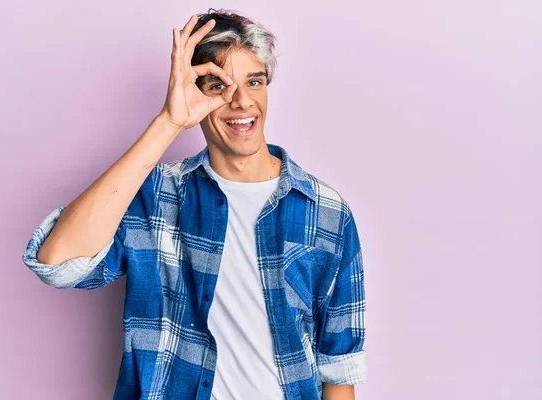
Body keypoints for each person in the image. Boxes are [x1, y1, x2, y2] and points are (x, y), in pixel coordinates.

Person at [23, 9, 367, 400]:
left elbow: (339, 366)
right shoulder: (157, 196)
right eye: (219, 86)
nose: (241, 101)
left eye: (254, 81)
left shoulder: (325, 210)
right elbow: (58, 264)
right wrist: (169, 122)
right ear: (195, 92)